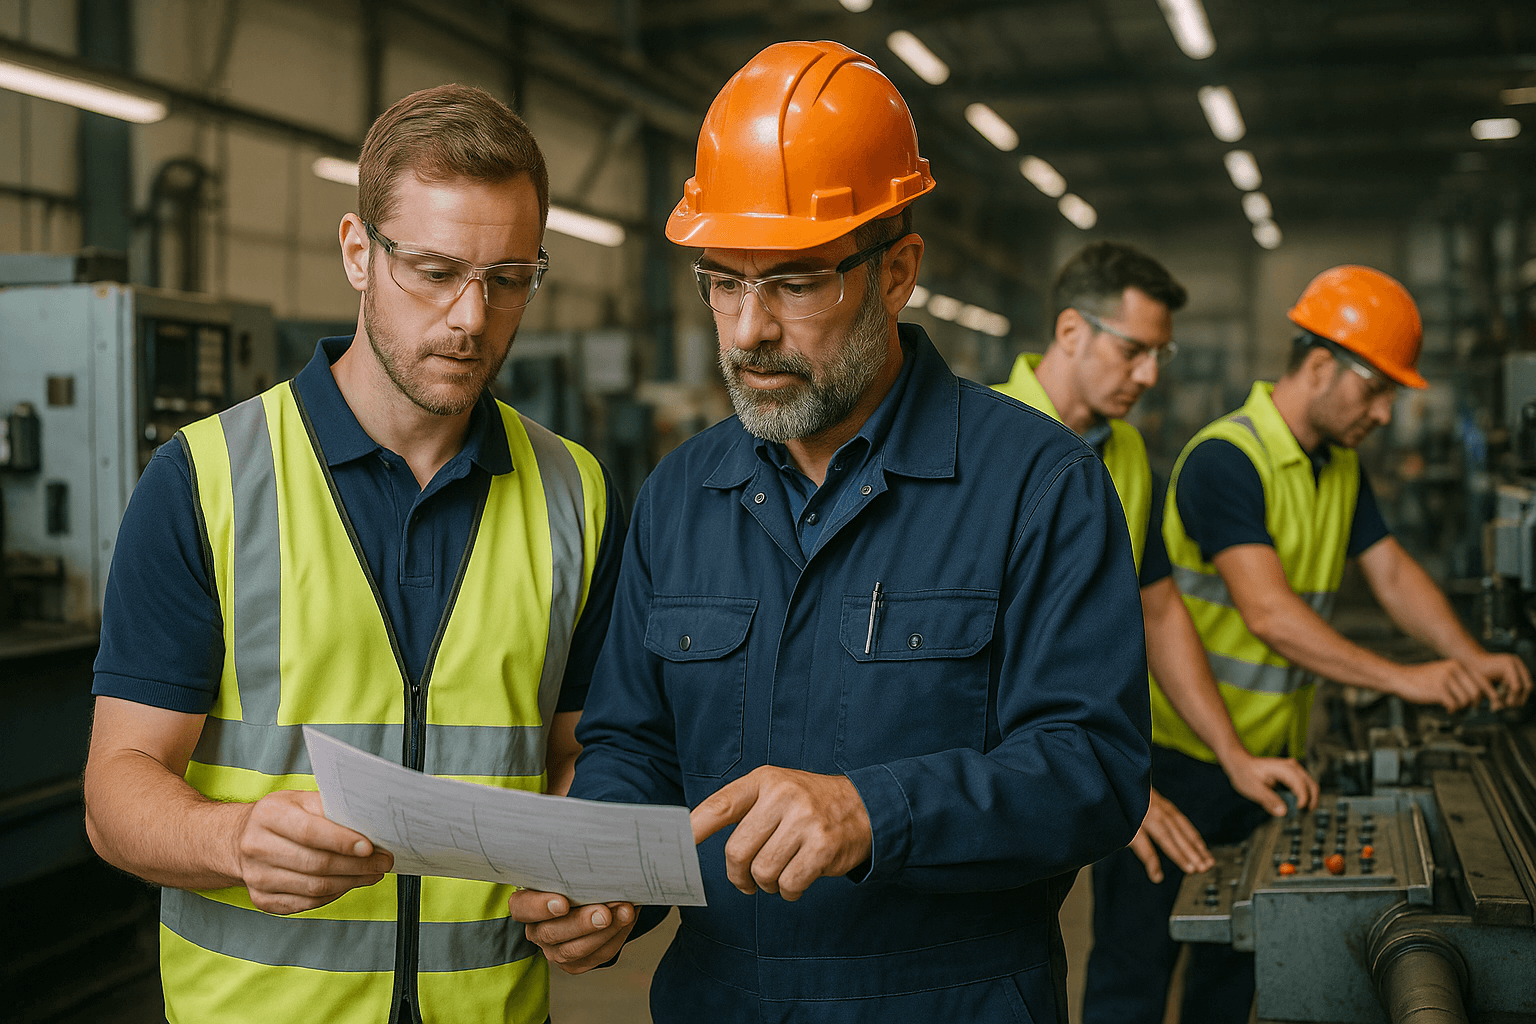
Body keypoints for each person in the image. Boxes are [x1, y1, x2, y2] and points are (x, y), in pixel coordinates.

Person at [506, 40, 1151, 1023]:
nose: (749, 329)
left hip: (955, 1001)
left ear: (897, 273)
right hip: (718, 998)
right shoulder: (682, 494)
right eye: (723, 281)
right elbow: (634, 745)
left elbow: (1093, 771)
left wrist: (872, 811)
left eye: (796, 283)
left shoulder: (1038, 484)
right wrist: (607, 884)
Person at [82, 84, 623, 1024]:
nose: (469, 317)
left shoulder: (573, 490)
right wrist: (235, 839)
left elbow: (583, 750)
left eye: (507, 279)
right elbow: (116, 787)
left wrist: (591, 879)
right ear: (356, 252)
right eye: (436, 270)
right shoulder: (207, 480)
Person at [1085, 264, 1533, 1024]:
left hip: (1266, 769)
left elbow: (1390, 571)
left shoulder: (1340, 466)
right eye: (1376, 389)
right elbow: (1270, 614)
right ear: (1320, 365)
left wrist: (1466, 656)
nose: (1387, 414)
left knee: (1230, 977)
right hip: (1174, 760)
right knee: (1135, 973)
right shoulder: (1225, 458)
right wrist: (1408, 678)